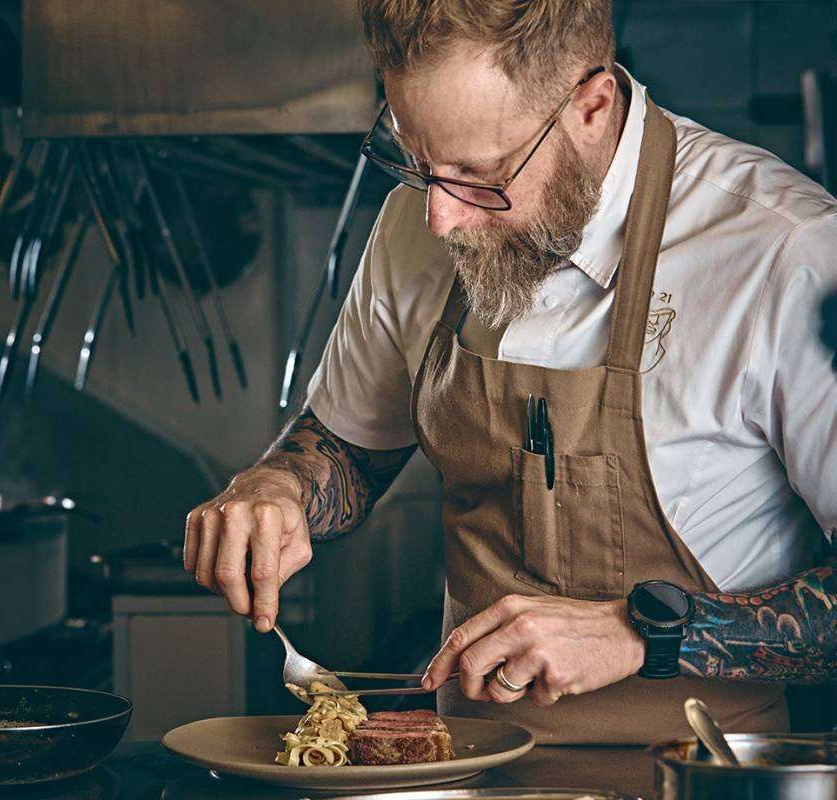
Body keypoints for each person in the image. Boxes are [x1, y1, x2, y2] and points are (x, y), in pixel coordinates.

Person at [184, 0, 837, 744]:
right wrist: (282, 485)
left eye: (479, 173)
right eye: (416, 159)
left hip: (703, 776)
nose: (438, 218)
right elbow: (350, 445)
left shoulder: (786, 253)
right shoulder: (418, 221)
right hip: (465, 769)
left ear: (591, 107)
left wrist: (643, 634)